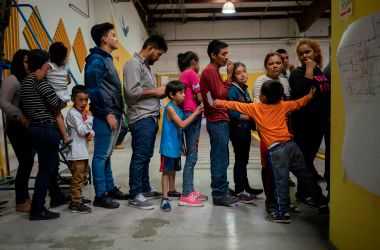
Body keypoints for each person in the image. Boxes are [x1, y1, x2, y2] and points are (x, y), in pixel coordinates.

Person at [214, 80, 328, 224]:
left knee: (280, 182)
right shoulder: (283, 105)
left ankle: (282, 213)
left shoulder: (257, 108)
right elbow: (299, 103)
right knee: (305, 175)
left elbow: (235, 105)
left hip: (277, 150)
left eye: (261, 93)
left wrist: (219, 102)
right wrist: (310, 96)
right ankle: (321, 201)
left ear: (264, 97)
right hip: (292, 146)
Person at [20, 49, 69, 220]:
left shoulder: (25, 82)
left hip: (33, 128)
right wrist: (65, 100)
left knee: (50, 165)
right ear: (43, 64)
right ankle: (37, 208)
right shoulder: (40, 82)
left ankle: (56, 197)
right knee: (46, 170)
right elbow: (56, 103)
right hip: (45, 129)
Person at [85, 22, 128, 209]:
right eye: (113, 34)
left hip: (113, 113)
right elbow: (93, 91)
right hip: (106, 115)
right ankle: (100, 194)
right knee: (101, 155)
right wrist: (107, 113)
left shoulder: (106, 59)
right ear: (104, 39)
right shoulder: (96, 60)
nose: (116, 37)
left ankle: (109, 188)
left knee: (107, 154)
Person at [123, 34, 167, 210]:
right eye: (159, 53)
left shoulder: (145, 66)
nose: (158, 57)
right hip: (141, 117)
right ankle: (135, 194)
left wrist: (159, 93)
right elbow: (132, 92)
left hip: (149, 116)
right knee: (140, 156)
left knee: (146, 156)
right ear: (150, 48)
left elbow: (144, 91)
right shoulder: (133, 64)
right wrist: (156, 91)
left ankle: (144, 187)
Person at [289, 39, 330, 203]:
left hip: (319, 123)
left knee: (309, 159)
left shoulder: (320, 71)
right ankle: (307, 194)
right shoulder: (297, 73)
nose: (305, 55)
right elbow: (303, 93)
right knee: (304, 160)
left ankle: (303, 192)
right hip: (304, 124)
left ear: (315, 52)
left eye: (308, 52)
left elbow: (325, 93)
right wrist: (309, 69)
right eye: (301, 53)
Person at [200, 39, 239, 207]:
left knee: (223, 158)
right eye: (223, 54)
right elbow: (221, 95)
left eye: (227, 53)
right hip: (217, 120)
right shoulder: (210, 71)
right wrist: (230, 76)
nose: (226, 57)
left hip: (218, 119)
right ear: (213, 55)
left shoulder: (213, 71)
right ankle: (219, 194)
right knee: (220, 159)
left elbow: (214, 96)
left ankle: (222, 189)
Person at [252, 52, 293, 212]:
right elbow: (258, 108)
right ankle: (270, 201)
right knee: (269, 167)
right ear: (265, 66)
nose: (275, 66)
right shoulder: (260, 81)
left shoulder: (284, 81)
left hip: (284, 131)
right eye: (271, 63)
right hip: (268, 133)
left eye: (278, 63)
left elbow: (288, 106)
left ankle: (282, 200)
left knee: (283, 167)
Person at [159, 80, 204, 212]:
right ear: (172, 95)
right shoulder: (170, 108)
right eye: (181, 93)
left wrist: (182, 144)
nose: (184, 95)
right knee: (166, 172)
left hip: (176, 145)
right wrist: (195, 112)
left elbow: (180, 130)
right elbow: (182, 125)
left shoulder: (178, 107)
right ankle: (165, 198)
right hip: (168, 146)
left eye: (184, 92)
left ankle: (172, 190)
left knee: (173, 170)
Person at [0, 49, 34, 212]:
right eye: (26, 61)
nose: (28, 65)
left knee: (27, 163)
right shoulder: (12, 80)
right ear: (19, 62)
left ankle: (25, 197)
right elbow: (3, 102)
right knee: (26, 162)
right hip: (15, 128)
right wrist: (18, 115)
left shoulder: (26, 79)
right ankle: (21, 200)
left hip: (26, 127)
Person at [227, 62, 263, 204]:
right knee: (240, 160)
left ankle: (245, 186)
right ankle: (240, 190)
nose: (243, 74)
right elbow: (231, 112)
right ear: (234, 76)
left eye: (244, 71)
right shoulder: (233, 90)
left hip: (246, 128)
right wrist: (250, 117)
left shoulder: (244, 89)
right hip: (238, 129)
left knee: (244, 160)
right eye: (238, 72)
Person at [176, 51, 208, 206]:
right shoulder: (192, 73)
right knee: (192, 157)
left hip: (186, 114)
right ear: (194, 61)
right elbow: (199, 95)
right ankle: (187, 193)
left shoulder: (183, 74)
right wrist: (204, 105)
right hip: (192, 115)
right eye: (198, 62)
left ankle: (190, 189)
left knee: (191, 155)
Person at [36, 42, 72, 148]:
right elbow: (68, 81)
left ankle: (65, 137)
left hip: (55, 96)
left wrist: (38, 72)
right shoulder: (65, 66)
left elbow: (39, 78)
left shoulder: (48, 65)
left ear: (50, 54)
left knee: (56, 116)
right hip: (64, 96)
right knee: (59, 115)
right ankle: (65, 133)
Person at [65, 85, 94, 214]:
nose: (83, 103)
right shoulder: (73, 113)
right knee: (77, 179)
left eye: (86, 100)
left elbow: (88, 131)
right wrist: (90, 118)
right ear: (72, 99)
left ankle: (79, 198)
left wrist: (90, 133)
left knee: (82, 177)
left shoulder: (81, 114)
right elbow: (82, 130)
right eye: (80, 100)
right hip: (76, 153)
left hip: (82, 152)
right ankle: (75, 204)